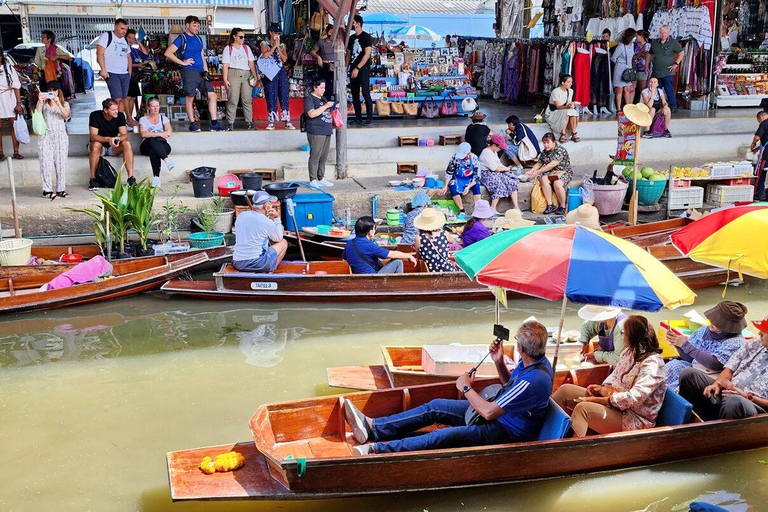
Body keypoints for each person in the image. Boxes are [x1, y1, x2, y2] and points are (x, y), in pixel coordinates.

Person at [343, 320, 553, 454]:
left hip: (506, 430)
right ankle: (375, 427)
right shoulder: (535, 361)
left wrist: (465, 388)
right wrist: (498, 361)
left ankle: (377, 449)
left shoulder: (532, 380)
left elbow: (489, 412)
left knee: (442, 436)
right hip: (500, 414)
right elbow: (509, 387)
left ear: (521, 348)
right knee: (435, 406)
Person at [552, 315, 667, 437]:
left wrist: (599, 400)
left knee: (583, 409)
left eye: (624, 332)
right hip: (614, 403)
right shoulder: (628, 352)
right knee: (565, 390)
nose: (622, 336)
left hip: (634, 418)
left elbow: (633, 398)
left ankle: (566, 452)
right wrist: (601, 388)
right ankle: (542, 432)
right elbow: (614, 376)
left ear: (634, 336)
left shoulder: (653, 364)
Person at [679, 314, 768, 421]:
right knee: (689, 374)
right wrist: (717, 384)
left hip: (753, 404)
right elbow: (729, 368)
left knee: (734, 401)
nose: (759, 333)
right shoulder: (753, 344)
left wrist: (747, 396)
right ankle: (695, 422)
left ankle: (719, 434)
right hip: (730, 391)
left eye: (764, 331)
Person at [665, 301, 746, 393]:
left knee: (682, 384)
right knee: (672, 366)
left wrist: (686, 345)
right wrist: (679, 345)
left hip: (710, 377)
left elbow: (714, 364)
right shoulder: (704, 330)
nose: (711, 325)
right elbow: (690, 359)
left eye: (717, 325)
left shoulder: (736, 342)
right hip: (692, 366)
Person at [165, 15, 224, 132]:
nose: (197, 28)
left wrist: (206, 70)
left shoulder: (198, 38)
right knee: (190, 97)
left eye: (198, 25)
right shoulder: (182, 38)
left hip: (201, 71)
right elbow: (168, 53)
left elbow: (202, 56)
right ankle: (192, 123)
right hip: (189, 71)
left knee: (212, 95)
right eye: (194, 25)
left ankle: (214, 122)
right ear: (187, 25)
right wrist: (182, 62)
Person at [232, 191, 288, 272]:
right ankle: (270, 270)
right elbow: (278, 238)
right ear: (266, 206)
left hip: (237, 262)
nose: (270, 204)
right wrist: (277, 218)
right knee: (283, 242)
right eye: (269, 203)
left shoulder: (241, 216)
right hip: (256, 262)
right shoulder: (266, 222)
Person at [88, 98, 135, 190]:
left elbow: (124, 135)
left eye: (117, 109)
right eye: (113, 110)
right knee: (96, 144)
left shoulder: (120, 116)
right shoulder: (95, 115)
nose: (116, 112)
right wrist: (108, 139)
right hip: (99, 146)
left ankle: (131, 178)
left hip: (113, 146)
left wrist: (118, 139)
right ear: (105, 110)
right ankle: (93, 179)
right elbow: (93, 136)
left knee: (127, 144)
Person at [343, 216, 417, 274]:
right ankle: (398, 287)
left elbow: (344, 259)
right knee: (398, 261)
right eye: (374, 229)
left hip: (360, 279)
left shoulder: (349, 244)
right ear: (370, 232)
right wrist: (409, 256)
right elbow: (393, 255)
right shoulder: (368, 245)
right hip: (372, 280)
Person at [36, 80, 70, 200]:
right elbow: (37, 114)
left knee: (61, 163)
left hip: (60, 136)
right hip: (46, 135)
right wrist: (40, 101)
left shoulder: (65, 104)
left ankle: (61, 189)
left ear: (58, 91)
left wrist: (58, 103)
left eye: (54, 90)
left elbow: (66, 116)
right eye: (49, 90)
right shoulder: (44, 104)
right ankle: (47, 190)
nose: (51, 92)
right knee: (46, 163)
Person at [525, 133, 572, 215]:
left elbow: (552, 164)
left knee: (557, 184)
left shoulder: (560, 150)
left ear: (554, 142)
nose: (546, 145)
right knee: (544, 179)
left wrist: (538, 172)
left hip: (563, 171)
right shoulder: (545, 152)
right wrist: (531, 171)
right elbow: (539, 163)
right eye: (544, 143)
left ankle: (562, 206)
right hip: (552, 172)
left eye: (548, 142)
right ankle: (550, 205)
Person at [259, 23, 294, 130]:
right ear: (270, 32)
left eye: (279, 33)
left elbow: (284, 59)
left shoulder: (282, 45)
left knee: (284, 94)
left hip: (280, 71)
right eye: (275, 32)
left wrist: (278, 47)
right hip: (269, 73)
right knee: (271, 95)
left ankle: (287, 120)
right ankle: (271, 121)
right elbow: (265, 55)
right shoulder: (264, 43)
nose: (277, 35)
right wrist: (274, 45)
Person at [222, 27, 257, 131]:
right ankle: (230, 122)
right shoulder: (228, 49)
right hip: (233, 73)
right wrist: (225, 79)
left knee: (247, 99)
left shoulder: (246, 48)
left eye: (243, 37)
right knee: (233, 99)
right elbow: (225, 65)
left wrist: (255, 76)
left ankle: (249, 122)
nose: (243, 39)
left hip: (246, 73)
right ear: (234, 37)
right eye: (241, 37)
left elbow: (251, 63)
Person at [96, 19, 131, 118]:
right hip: (112, 72)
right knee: (117, 98)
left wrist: (129, 73)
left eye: (125, 29)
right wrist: (103, 69)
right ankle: (115, 121)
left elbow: (128, 56)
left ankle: (121, 121)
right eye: (122, 28)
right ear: (115, 27)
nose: (124, 31)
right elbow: (99, 53)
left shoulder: (125, 40)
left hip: (124, 73)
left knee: (123, 98)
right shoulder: (106, 36)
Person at [304, 78, 334, 187]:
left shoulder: (324, 99)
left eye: (324, 88)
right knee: (315, 156)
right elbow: (311, 114)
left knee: (323, 156)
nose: (323, 90)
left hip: (326, 129)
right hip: (316, 130)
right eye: (321, 88)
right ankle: (313, 179)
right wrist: (325, 106)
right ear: (315, 87)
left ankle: (321, 177)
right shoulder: (309, 99)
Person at [138, 97, 174, 188]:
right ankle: (166, 160)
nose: (155, 108)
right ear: (148, 107)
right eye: (153, 106)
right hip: (146, 144)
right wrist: (159, 134)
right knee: (151, 139)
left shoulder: (164, 119)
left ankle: (156, 178)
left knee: (153, 151)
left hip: (162, 144)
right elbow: (143, 134)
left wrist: (151, 133)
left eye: (157, 106)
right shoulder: (143, 119)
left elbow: (169, 132)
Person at [479, 133, 520, 212]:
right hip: (486, 173)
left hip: (495, 172)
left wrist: (506, 168)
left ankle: (516, 206)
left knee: (511, 181)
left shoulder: (493, 152)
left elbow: (498, 163)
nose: (501, 149)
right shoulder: (486, 152)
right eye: (500, 147)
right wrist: (505, 169)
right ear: (494, 145)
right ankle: (493, 208)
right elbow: (494, 168)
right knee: (499, 184)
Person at [440, 142, 481, 219]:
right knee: (452, 185)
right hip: (458, 178)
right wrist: (445, 186)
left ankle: (478, 212)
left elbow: (477, 176)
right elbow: (449, 172)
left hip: (471, 180)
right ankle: (462, 210)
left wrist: (468, 187)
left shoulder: (474, 158)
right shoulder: (454, 158)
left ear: (468, 153)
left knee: (477, 187)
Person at [650, 25, 684, 112]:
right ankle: (658, 107)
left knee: (669, 89)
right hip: (656, 72)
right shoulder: (654, 42)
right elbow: (650, 54)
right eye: (661, 33)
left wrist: (676, 63)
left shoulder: (673, 42)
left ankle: (673, 106)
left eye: (665, 32)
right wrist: (647, 65)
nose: (663, 34)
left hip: (668, 72)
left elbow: (681, 53)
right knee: (657, 91)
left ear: (668, 33)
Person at [347, 15, 373, 126]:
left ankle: (369, 117)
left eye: (352, 22)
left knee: (366, 92)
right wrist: (346, 67)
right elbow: (348, 54)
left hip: (363, 68)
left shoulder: (366, 37)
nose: (351, 24)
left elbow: (367, 54)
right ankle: (358, 117)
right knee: (354, 93)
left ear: (357, 23)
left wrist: (358, 67)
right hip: (353, 67)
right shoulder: (351, 38)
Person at [0, 52, 24, 161]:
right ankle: (0, 152)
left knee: (14, 126)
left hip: (10, 98)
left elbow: (16, 86)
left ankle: (16, 151)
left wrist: (19, 103)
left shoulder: (9, 68)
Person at [125, 29, 151, 128]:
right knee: (127, 98)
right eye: (129, 38)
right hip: (127, 75)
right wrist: (137, 65)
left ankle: (130, 119)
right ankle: (128, 118)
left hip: (135, 77)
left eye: (133, 38)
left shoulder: (134, 51)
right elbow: (125, 64)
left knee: (133, 97)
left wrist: (139, 43)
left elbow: (145, 55)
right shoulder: (124, 49)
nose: (131, 40)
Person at [545, 74, 580, 143]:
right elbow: (558, 106)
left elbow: (568, 103)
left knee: (573, 112)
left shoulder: (570, 91)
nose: (570, 84)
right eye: (568, 82)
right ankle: (562, 133)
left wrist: (572, 104)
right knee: (567, 112)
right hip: (553, 112)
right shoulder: (556, 91)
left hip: (564, 110)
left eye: (571, 82)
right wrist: (568, 107)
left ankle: (573, 133)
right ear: (563, 83)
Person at [612, 29, 637, 113]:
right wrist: (620, 63)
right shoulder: (621, 46)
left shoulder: (632, 45)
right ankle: (619, 108)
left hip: (628, 70)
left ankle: (627, 107)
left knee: (627, 89)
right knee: (619, 89)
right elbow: (613, 57)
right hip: (620, 70)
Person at [310, 24, 335, 93]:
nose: (332, 32)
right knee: (325, 85)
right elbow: (312, 52)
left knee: (336, 85)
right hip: (325, 65)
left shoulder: (338, 42)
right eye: (330, 31)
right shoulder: (321, 42)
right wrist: (318, 57)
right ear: (327, 32)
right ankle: (326, 101)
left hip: (336, 65)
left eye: (333, 31)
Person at [750, 110, 768, 200]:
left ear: (761, 117)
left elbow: (757, 137)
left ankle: (758, 195)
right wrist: (757, 148)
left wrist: (753, 143)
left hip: (766, 155)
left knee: (761, 173)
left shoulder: (764, 123)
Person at [634, 30, 652, 96]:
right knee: (632, 88)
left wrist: (641, 54)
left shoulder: (648, 45)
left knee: (642, 88)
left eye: (637, 36)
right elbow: (632, 57)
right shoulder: (634, 45)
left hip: (643, 69)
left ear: (641, 36)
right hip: (634, 69)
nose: (636, 37)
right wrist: (641, 53)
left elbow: (649, 56)